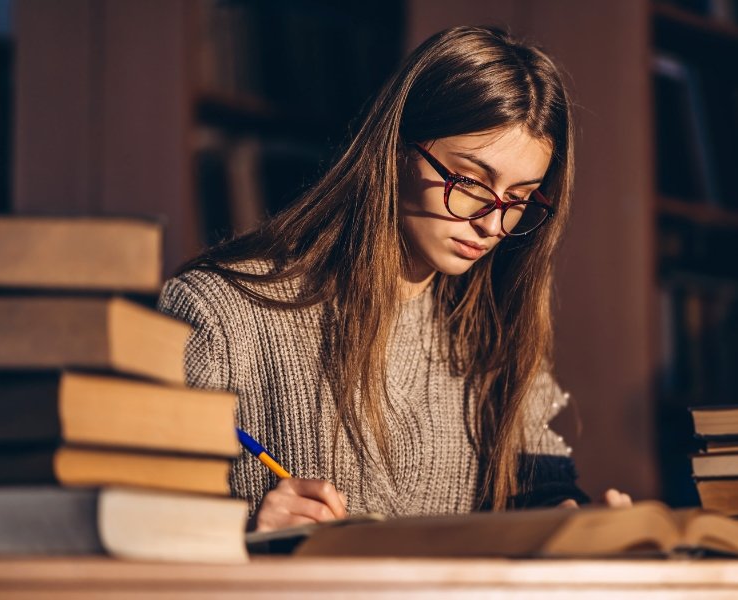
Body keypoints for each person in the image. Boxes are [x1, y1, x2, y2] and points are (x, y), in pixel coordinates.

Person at [158, 25, 631, 533]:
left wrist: (577, 526)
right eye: (470, 182)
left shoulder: (495, 331)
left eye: (518, 199)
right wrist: (245, 533)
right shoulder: (219, 313)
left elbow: (540, 495)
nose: (493, 224)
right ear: (397, 148)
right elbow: (137, 525)